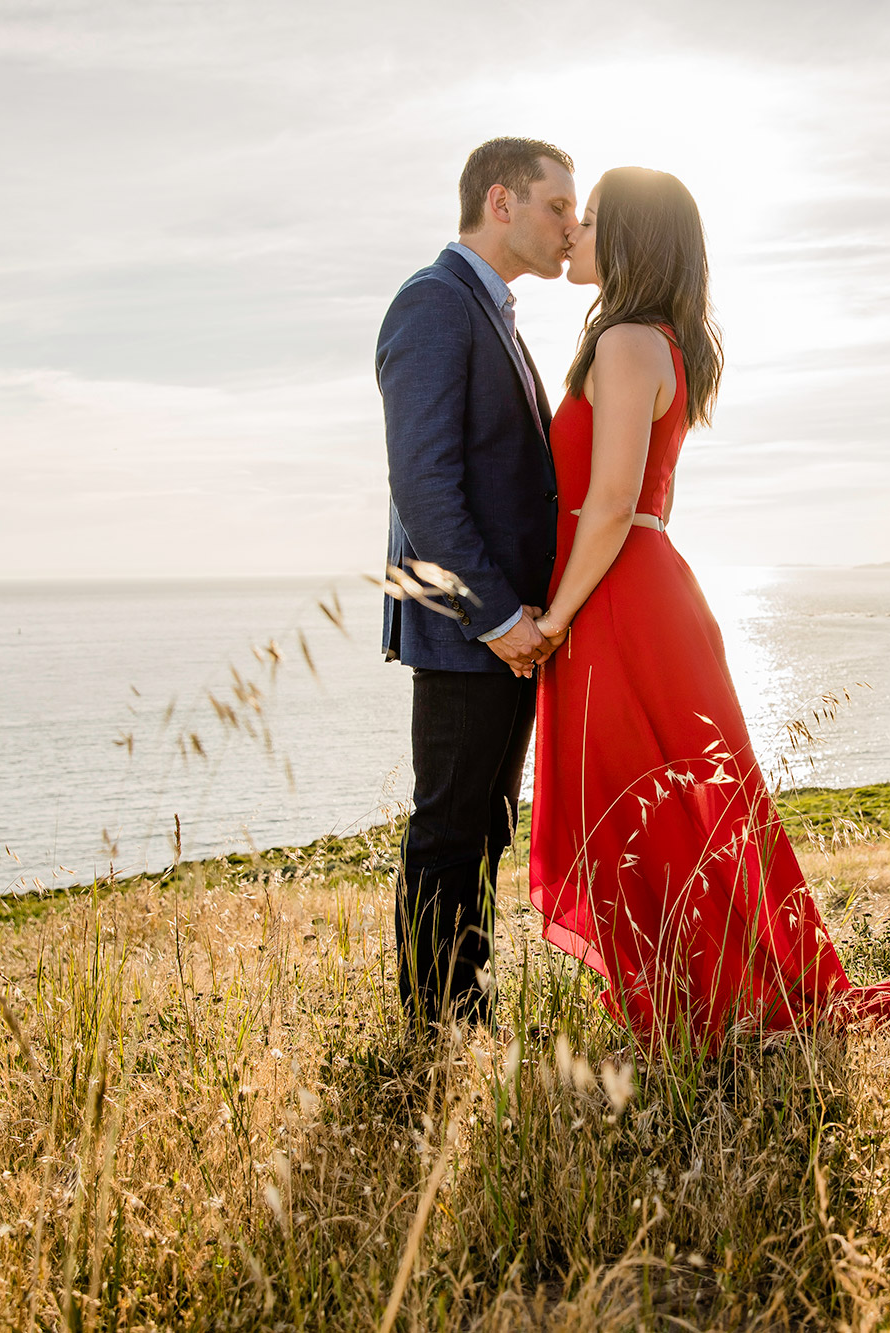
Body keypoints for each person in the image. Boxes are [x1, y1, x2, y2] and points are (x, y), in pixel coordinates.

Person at [527, 167, 890, 1045]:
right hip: (639, 589)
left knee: (645, 803)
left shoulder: (627, 341)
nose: (574, 233)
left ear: (629, 239)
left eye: (590, 219)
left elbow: (608, 501)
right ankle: (703, 992)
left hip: (618, 596)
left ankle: (707, 1002)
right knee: (672, 801)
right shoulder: (655, 338)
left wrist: (554, 617)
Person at [376, 137, 577, 1027]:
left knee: (482, 828)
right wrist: (496, 616)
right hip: (467, 631)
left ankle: (462, 1004)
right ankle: (435, 1023)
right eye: (556, 207)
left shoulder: (492, 311)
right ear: (501, 203)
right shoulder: (434, 303)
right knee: (451, 829)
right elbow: (423, 486)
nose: (570, 227)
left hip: (503, 631)